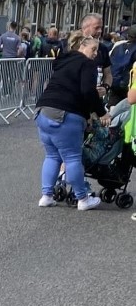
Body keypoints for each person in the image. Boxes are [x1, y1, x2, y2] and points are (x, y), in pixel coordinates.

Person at [35, 32, 109, 211]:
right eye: (93, 49)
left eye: (97, 50)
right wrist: (101, 113)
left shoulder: (63, 61)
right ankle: (83, 198)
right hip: (66, 113)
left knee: (52, 155)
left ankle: (46, 195)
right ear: (82, 47)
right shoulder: (87, 64)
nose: (95, 54)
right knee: (73, 158)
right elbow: (87, 92)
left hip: (43, 111)